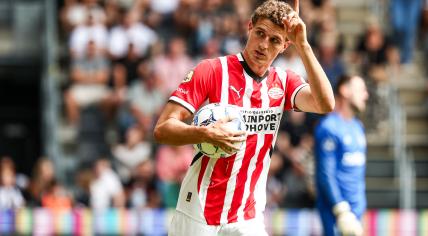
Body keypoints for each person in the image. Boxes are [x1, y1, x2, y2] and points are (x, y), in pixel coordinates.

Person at [154, 1, 335, 235]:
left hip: (247, 216)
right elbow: (162, 129)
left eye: (275, 40)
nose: (263, 45)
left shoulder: (284, 82)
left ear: (284, 46)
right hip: (198, 210)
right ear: (249, 27)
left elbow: (325, 104)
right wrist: (204, 133)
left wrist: (303, 45)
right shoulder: (211, 70)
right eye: (260, 33)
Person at [314, 75, 369, 236]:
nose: (366, 95)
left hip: (358, 210)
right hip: (337, 214)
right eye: (361, 90)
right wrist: (341, 210)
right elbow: (325, 175)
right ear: (344, 91)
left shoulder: (358, 127)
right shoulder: (329, 127)